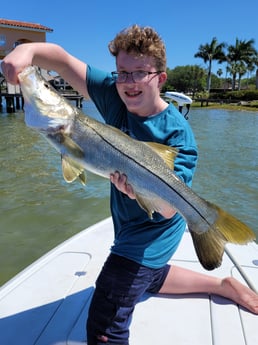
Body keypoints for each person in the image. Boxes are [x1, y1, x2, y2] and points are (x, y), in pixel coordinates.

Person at [2, 25, 258, 344]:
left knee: (104, 324)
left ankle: (198, 235)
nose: (129, 82)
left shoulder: (179, 136)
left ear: (160, 78)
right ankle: (220, 286)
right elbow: (63, 60)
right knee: (148, 279)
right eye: (123, 72)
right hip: (128, 222)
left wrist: (139, 189)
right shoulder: (114, 93)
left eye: (140, 73)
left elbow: (167, 211)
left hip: (154, 232)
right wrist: (25, 52)